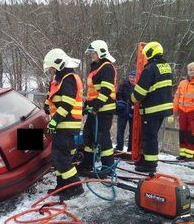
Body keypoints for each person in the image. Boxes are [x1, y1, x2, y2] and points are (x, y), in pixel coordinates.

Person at [44, 48, 84, 200]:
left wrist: (54, 121)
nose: (51, 71)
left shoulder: (69, 78)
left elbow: (67, 104)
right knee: (57, 157)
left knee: (62, 158)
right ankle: (62, 185)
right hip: (61, 125)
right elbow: (53, 98)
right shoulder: (59, 80)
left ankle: (75, 187)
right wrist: (47, 105)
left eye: (52, 68)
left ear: (59, 65)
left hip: (67, 124)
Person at [130, 41, 173, 173]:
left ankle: (150, 164)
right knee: (151, 135)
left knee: (149, 136)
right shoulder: (166, 66)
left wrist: (132, 98)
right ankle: (146, 158)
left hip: (152, 109)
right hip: (163, 107)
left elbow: (141, 91)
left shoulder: (149, 69)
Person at [77, 40, 117, 178]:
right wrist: (86, 107)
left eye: (93, 53)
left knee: (103, 137)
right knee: (88, 135)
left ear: (100, 52)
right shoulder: (95, 67)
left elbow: (106, 90)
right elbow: (92, 92)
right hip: (95, 109)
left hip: (104, 110)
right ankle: (88, 162)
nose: (91, 56)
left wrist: (96, 106)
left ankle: (108, 167)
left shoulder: (106, 67)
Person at [115, 70, 135, 152]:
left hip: (133, 111)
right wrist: (121, 102)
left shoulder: (138, 87)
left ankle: (130, 148)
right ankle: (119, 147)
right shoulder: (123, 85)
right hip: (123, 111)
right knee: (120, 130)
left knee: (133, 131)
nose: (132, 79)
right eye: (130, 77)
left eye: (134, 77)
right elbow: (118, 95)